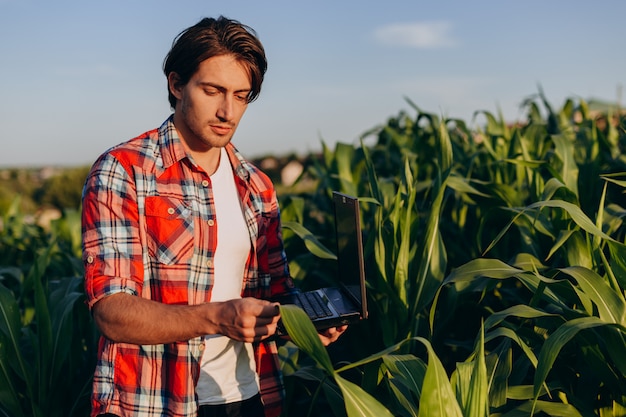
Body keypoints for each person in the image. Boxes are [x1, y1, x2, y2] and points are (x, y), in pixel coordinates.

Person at [81, 16, 347, 417]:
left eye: (241, 96)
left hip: (248, 397)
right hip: (154, 402)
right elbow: (113, 312)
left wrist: (305, 323)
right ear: (176, 84)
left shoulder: (256, 186)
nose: (228, 111)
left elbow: (273, 297)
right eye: (213, 90)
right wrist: (217, 317)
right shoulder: (123, 171)